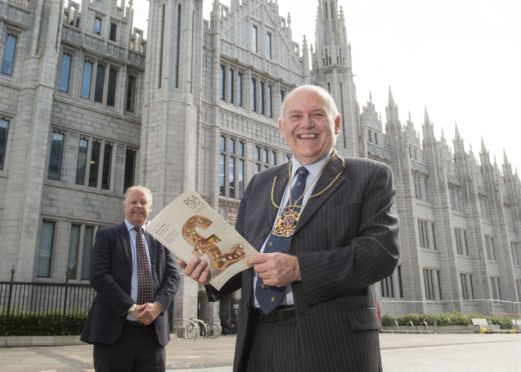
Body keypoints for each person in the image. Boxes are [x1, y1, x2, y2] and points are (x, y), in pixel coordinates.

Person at [182, 84, 400, 371]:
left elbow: (380, 254)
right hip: (259, 340)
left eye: (317, 115)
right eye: (296, 116)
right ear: (282, 127)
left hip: (332, 340)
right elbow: (246, 260)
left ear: (336, 123)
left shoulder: (369, 175)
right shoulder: (260, 184)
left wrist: (300, 269)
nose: (306, 124)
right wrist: (212, 273)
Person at [81, 185, 180, 372]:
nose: (138, 206)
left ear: (150, 208)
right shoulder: (107, 236)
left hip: (153, 335)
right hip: (115, 333)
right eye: (133, 202)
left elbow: (173, 276)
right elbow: (98, 276)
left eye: (143, 202)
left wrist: (158, 306)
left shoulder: (160, 239)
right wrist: (131, 308)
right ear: (124, 206)